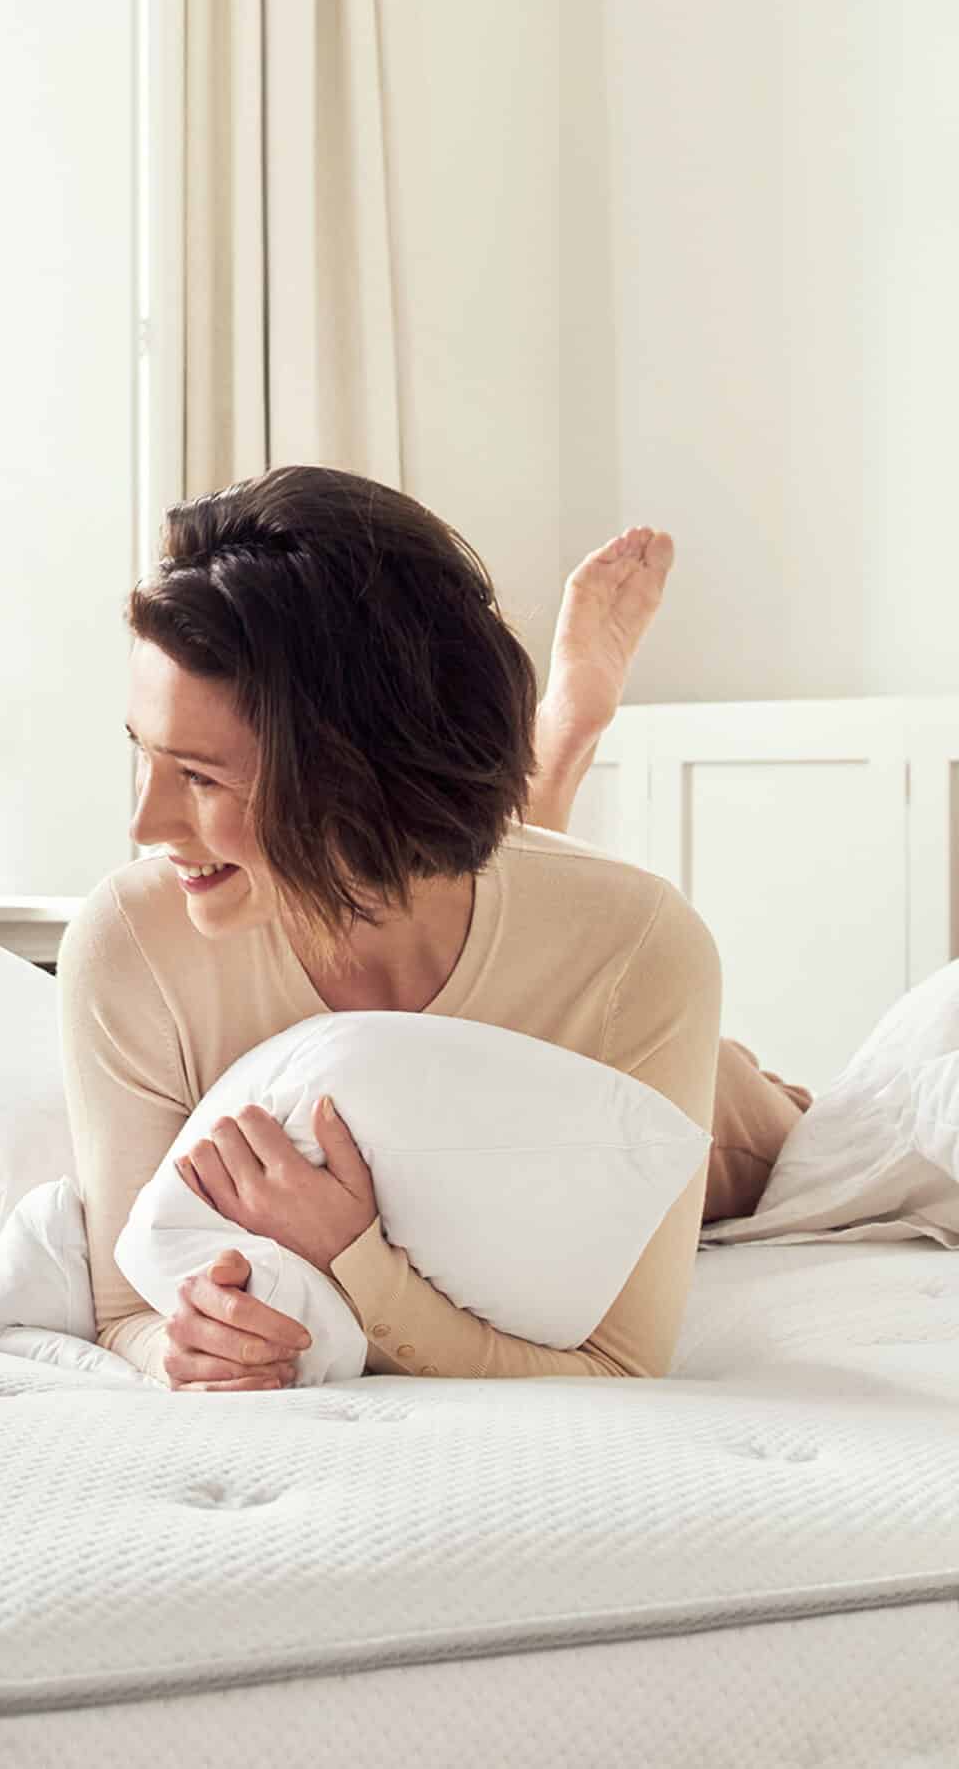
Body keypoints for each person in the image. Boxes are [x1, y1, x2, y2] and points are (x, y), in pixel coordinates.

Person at [62, 464, 813, 1392]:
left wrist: (352, 1257)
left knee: (799, 1149)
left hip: (676, 1076)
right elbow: (127, 1311)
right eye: (145, 757)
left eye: (202, 778)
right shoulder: (131, 944)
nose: (145, 826)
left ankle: (556, 751)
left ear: (347, 777)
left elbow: (618, 1366)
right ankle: (548, 776)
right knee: (435, 879)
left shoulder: (640, 951)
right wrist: (178, 1344)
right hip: (441, 893)